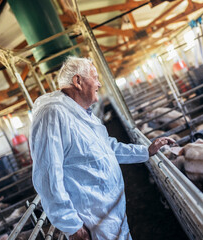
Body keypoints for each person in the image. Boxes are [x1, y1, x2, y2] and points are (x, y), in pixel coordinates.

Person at [29, 56, 175, 240]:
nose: (99, 84)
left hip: (110, 215)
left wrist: (146, 151)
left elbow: (108, 148)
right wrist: (72, 226)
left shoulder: (82, 114)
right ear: (78, 81)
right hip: (92, 222)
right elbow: (48, 175)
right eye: (95, 77)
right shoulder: (52, 114)